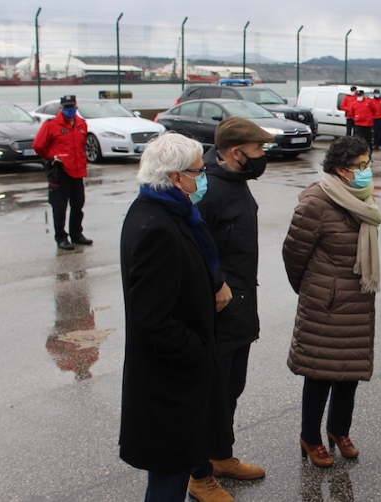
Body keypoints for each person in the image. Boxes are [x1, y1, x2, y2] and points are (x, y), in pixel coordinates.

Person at [119, 132, 235, 502]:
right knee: (168, 481)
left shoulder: (166, 211)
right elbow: (152, 319)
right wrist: (197, 354)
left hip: (173, 378)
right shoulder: (157, 228)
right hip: (169, 382)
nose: (204, 178)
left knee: (174, 468)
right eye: (199, 172)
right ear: (175, 177)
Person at [282, 136, 381, 468]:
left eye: (368, 164)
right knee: (320, 372)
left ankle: (339, 430)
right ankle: (310, 437)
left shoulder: (362, 197)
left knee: (348, 370)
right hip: (326, 302)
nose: (368, 171)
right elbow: (293, 254)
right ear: (341, 170)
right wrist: (316, 289)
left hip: (358, 299)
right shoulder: (317, 201)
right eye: (361, 166)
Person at [197, 116, 274, 481]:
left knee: (231, 388)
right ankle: (199, 476)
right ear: (234, 152)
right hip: (220, 310)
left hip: (241, 306)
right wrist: (216, 283)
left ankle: (221, 455)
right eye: (258, 150)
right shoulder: (207, 190)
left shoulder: (237, 181)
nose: (262, 156)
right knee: (211, 397)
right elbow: (194, 247)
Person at [33, 95, 92, 251]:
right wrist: (52, 158)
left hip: (78, 171)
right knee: (59, 207)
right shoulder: (51, 125)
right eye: (66, 107)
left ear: (76, 107)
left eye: (72, 107)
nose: (69, 110)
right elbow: (38, 145)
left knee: (78, 204)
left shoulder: (82, 124)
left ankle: (76, 234)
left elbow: (81, 145)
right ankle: (61, 237)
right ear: (61, 108)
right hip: (60, 171)